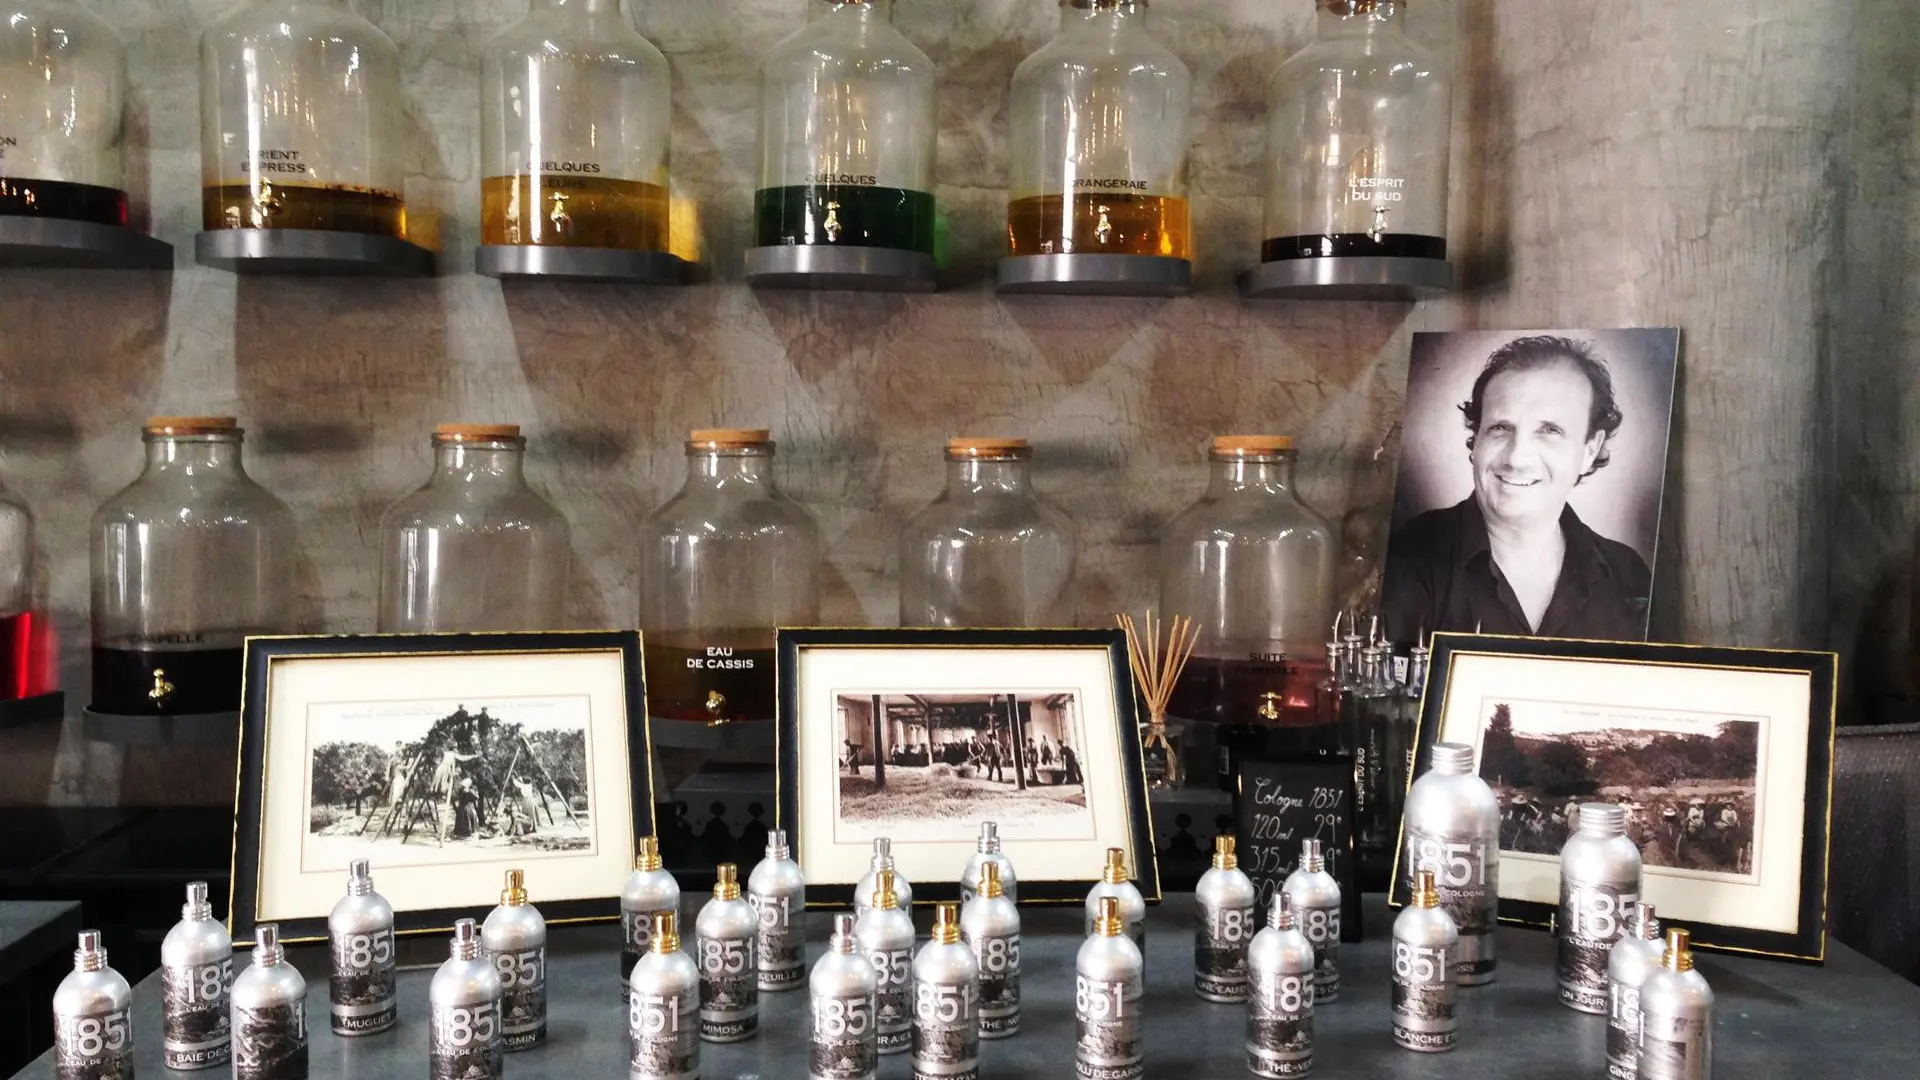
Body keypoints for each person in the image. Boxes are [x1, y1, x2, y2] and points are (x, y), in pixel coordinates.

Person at [1383, 335, 1653, 641]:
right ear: (1476, 439)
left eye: (1549, 430)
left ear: (1590, 450)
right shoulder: (1406, 560)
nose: (1516, 458)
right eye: (1500, 428)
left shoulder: (1628, 574)